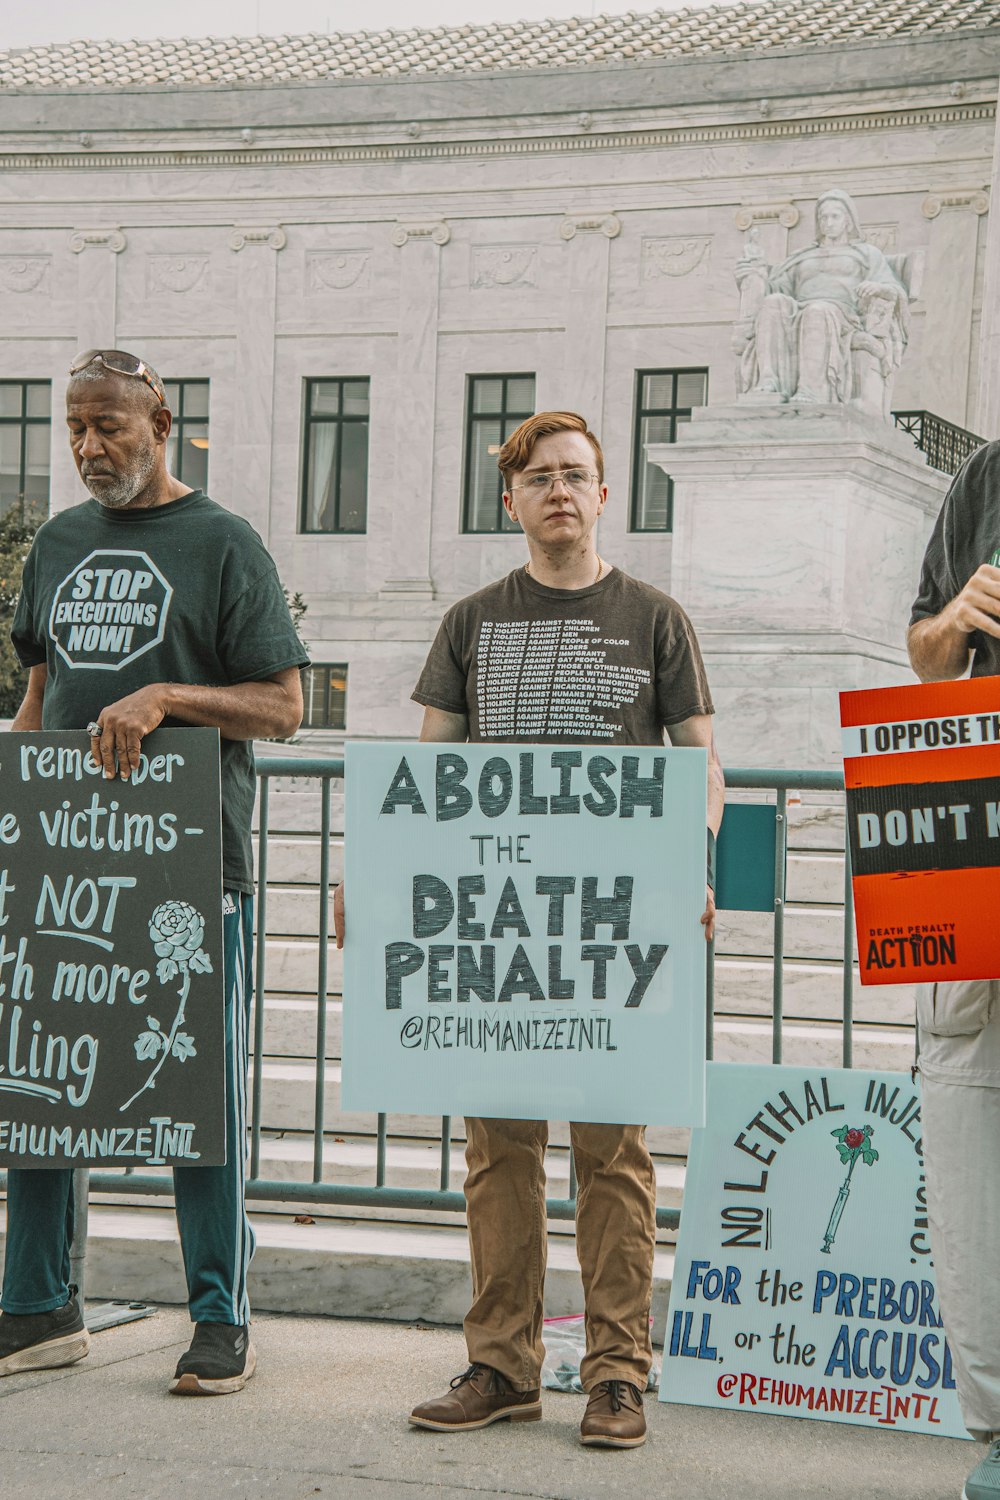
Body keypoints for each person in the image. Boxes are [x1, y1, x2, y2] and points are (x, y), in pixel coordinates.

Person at [336, 409, 722, 1447]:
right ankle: (500, 1366)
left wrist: (692, 860)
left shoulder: (655, 618)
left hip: (612, 930)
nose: (559, 490)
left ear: (604, 497)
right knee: (497, 1151)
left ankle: (615, 1375)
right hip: (498, 932)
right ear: (510, 500)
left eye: (576, 475)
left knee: (616, 1155)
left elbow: (700, 764)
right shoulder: (469, 621)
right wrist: (375, 877)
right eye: (539, 476)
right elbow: (428, 775)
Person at [0, 349, 308, 1395]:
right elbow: (39, 699)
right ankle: (38, 1305)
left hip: (189, 871)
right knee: (41, 1074)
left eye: (110, 428)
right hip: (63, 867)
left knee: (196, 1095)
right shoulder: (58, 543)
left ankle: (220, 1315)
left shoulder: (223, 542)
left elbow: (282, 704)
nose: (90, 448)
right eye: (76, 429)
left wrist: (170, 697)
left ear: (161, 422)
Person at [907, 436, 1000, 1500]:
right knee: (966, 1114)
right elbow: (922, 658)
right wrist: (956, 620)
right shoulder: (984, 476)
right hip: (970, 815)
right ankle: (994, 1425)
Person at [735, 188, 908, 405]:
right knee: (772, 304)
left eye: (834, 216)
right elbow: (776, 289)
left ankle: (812, 390)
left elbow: (893, 289)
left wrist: (877, 287)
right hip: (800, 308)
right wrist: (754, 274)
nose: (828, 222)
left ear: (848, 221)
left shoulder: (866, 254)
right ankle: (769, 382)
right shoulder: (803, 256)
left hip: (843, 315)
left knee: (817, 310)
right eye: (823, 217)